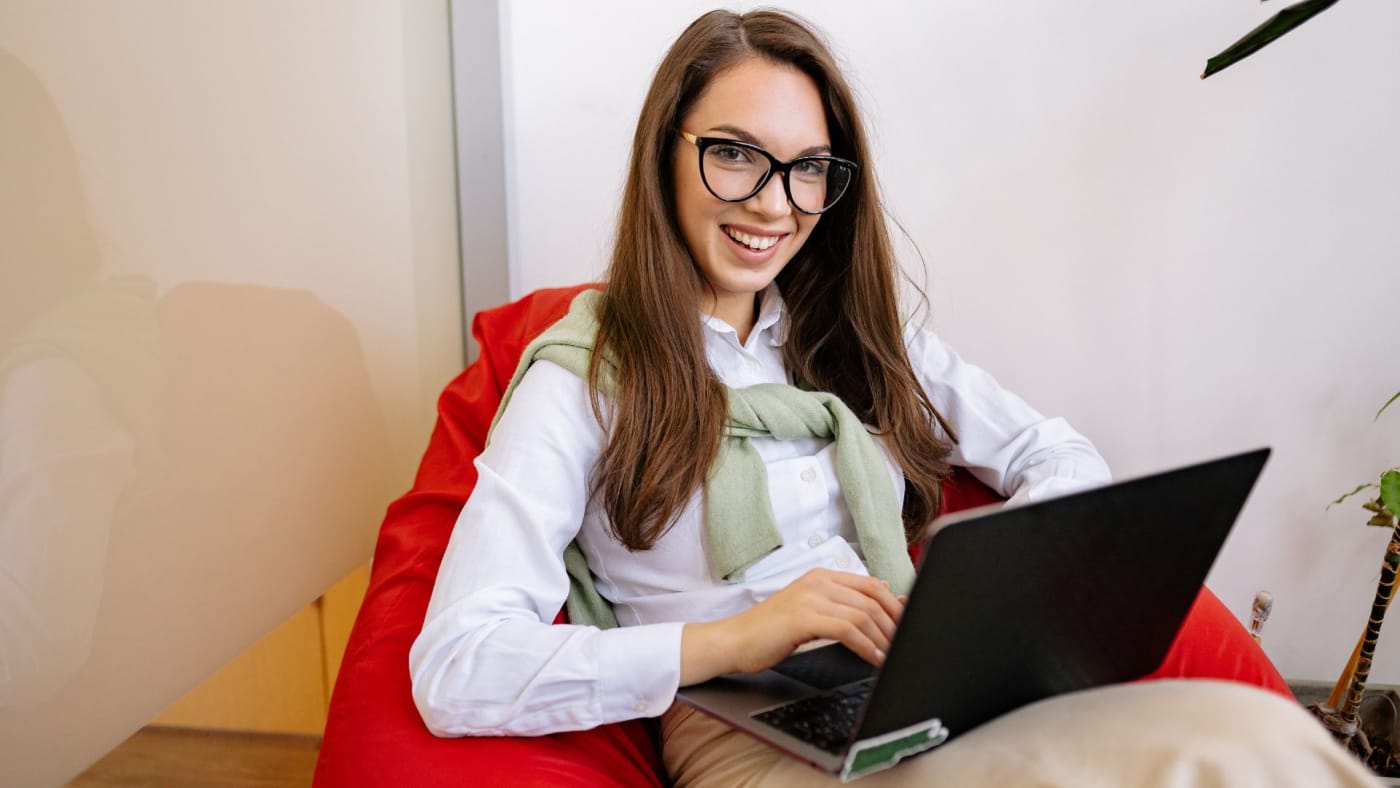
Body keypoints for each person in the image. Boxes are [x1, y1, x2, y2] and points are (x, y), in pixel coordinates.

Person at [409, 9, 1378, 786]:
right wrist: (734, 634)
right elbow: (454, 665)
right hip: (751, 732)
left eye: (805, 171)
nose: (773, 204)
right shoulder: (582, 378)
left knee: (1250, 729)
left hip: (917, 688)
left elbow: (1057, 453)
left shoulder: (852, 341)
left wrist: (995, 604)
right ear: (665, 151)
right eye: (735, 154)